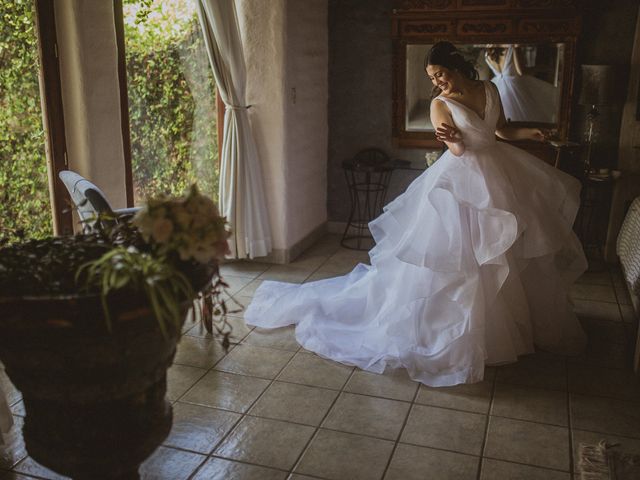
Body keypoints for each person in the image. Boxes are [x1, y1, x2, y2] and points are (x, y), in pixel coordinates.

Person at [244, 41, 586, 387]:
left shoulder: (490, 88)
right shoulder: (441, 104)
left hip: (499, 173)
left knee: (500, 252)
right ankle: (453, 332)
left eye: (440, 74)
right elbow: (457, 148)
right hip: (458, 184)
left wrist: (533, 132)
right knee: (460, 258)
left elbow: (501, 130)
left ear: (456, 68)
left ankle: (505, 330)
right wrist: (451, 139)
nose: (436, 81)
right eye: (432, 77)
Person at [485, 44, 559, 123]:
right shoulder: (512, 47)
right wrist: (542, 68)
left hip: (499, 89)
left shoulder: (488, 54)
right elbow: (521, 71)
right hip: (515, 87)